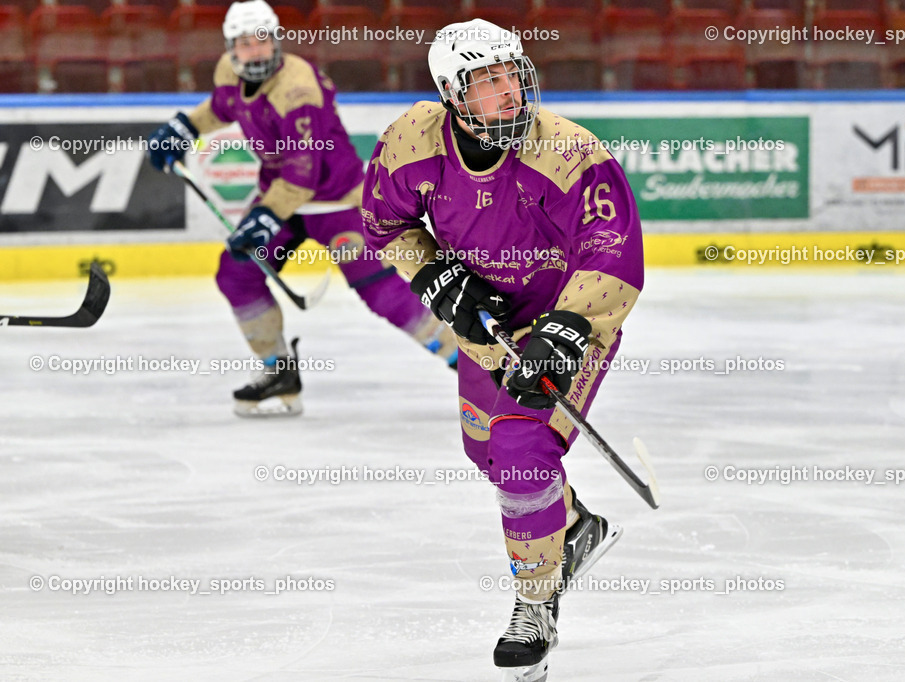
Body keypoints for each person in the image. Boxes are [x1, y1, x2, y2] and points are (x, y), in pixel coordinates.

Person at [361, 18, 645, 678]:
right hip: (485, 330)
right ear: (451, 96)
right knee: (486, 450)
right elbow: (384, 222)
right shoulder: (413, 142)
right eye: (487, 86)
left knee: (521, 450)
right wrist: (433, 272)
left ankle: (535, 605)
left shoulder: (570, 154)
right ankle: (573, 528)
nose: (509, 97)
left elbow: (613, 251)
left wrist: (568, 328)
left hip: (564, 326)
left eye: (512, 78)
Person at [145, 0, 457, 417]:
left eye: (262, 41)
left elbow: (303, 171)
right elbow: (224, 107)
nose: (253, 51)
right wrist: (186, 126)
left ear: (275, 41)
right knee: (237, 273)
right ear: (229, 48)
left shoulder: (298, 89)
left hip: (337, 202)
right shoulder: (227, 71)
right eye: (243, 44)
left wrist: (265, 216)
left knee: (382, 292)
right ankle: (278, 371)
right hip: (283, 201)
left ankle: (473, 365)